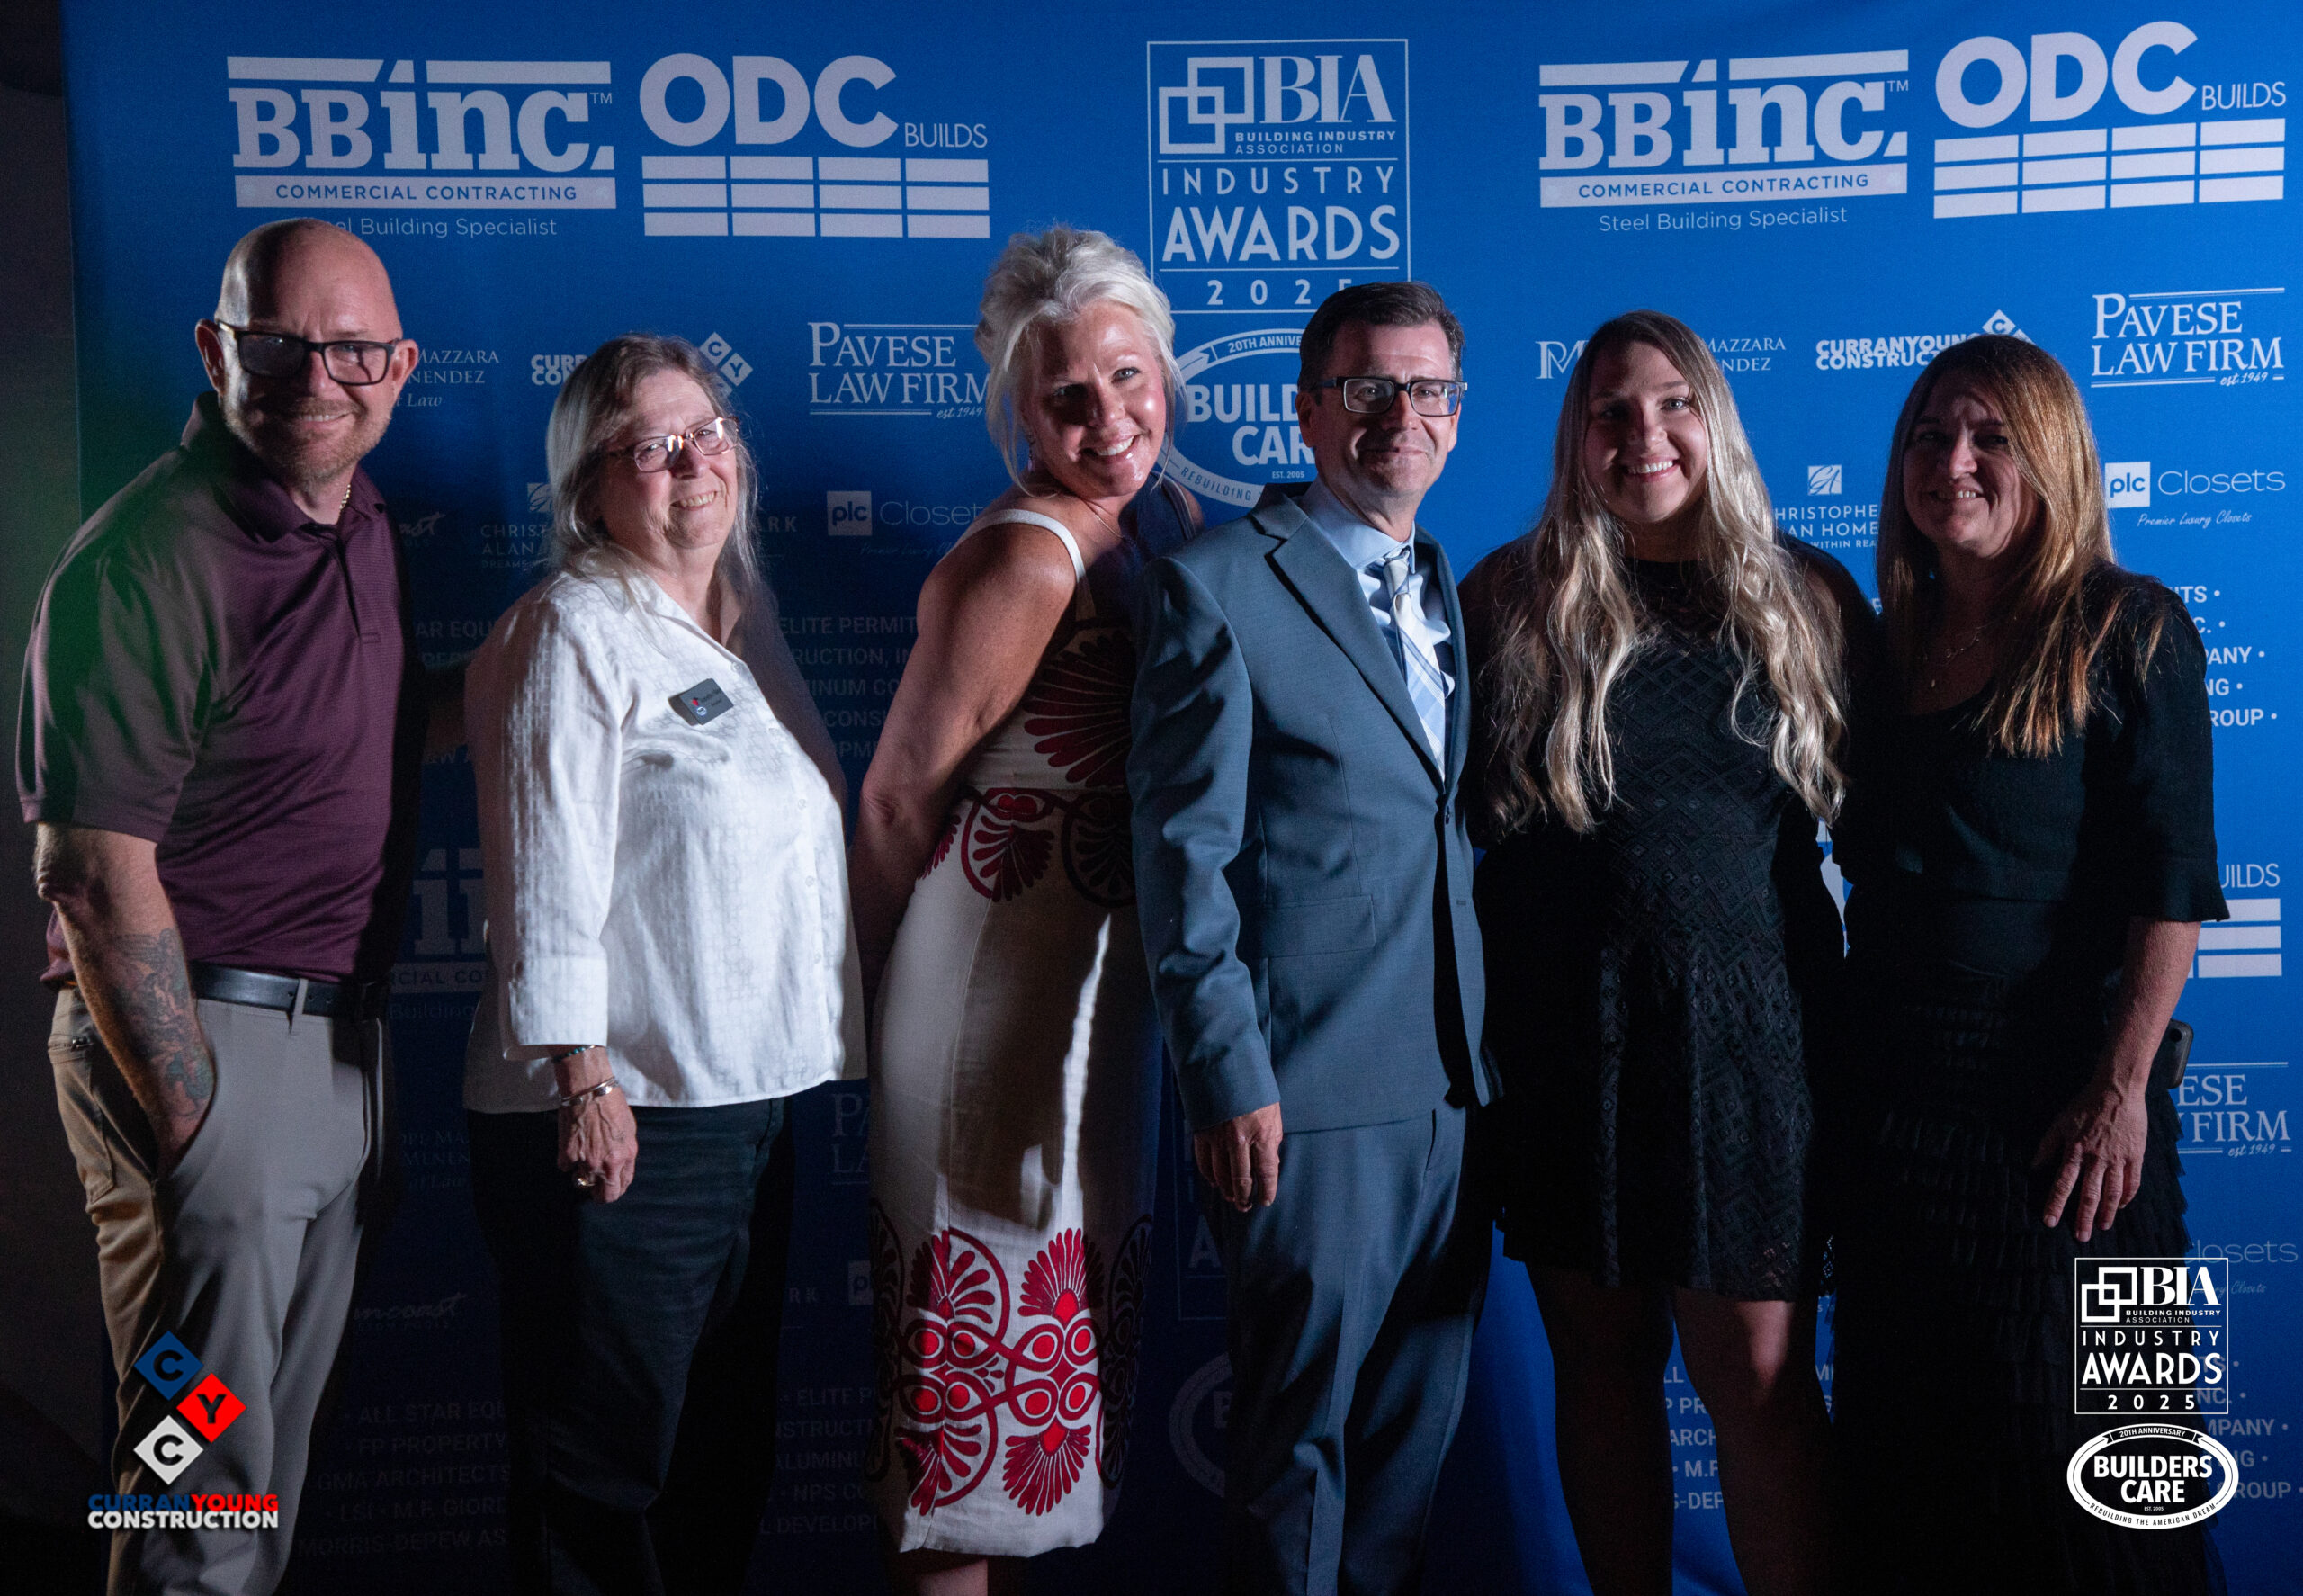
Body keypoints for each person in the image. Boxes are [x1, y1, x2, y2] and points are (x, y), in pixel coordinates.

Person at [21, 217, 427, 1594]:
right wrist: (200, 1121)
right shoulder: (148, 556)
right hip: (203, 1054)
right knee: (189, 1473)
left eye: (354, 350)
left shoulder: (361, 521)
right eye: (281, 345)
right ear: (217, 350)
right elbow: (90, 870)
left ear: (401, 366)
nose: (320, 378)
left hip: (336, 1054)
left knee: (257, 1473)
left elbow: (347, 733)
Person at [1460, 311, 1871, 1596]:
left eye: (1673, 403)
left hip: (1752, 1051)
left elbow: (1904, 836)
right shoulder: (1509, 597)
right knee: (1601, 1369)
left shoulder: (1808, 597)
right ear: (1576, 438)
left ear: (1715, 420)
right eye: (1611, 411)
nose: (1645, 433)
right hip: (1566, 1044)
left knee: (1760, 1380)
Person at [461, 334, 861, 1596]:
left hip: (744, 1105)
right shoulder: (570, 627)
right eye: (653, 445)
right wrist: (584, 1078)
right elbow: (544, 875)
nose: (695, 462)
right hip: (620, 1112)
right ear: (588, 488)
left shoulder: (741, 627)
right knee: (600, 1476)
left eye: (708, 433)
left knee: (718, 1459)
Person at [1829, 335, 2226, 1593]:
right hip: (1902, 1121)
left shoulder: (2131, 627)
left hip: (2078, 1125)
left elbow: (2173, 887)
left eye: (1992, 437)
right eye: (1930, 436)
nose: (1953, 461)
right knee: (1918, 1476)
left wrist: (2120, 1093)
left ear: (2051, 457)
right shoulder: (1884, 646)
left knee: (2126, 1481)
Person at [1129, 280, 1495, 1595]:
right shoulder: (1219, 586)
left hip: (1455, 1093)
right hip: (1309, 1101)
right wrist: (1227, 1075)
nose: (1401, 415)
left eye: (1427, 389)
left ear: (1456, 410)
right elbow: (1183, 861)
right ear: (1307, 411)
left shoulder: (1446, 583)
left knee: (1408, 1453)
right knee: (1297, 1456)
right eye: (1367, 389)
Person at [853, 225, 1197, 1596]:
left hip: (1093, 1006)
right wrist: (857, 1014)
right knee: (967, 1423)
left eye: (1129, 377)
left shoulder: (1159, 526)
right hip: (988, 1002)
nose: (1108, 418)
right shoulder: (1029, 558)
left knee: (1044, 1413)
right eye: (1067, 395)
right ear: (1017, 407)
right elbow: (895, 803)